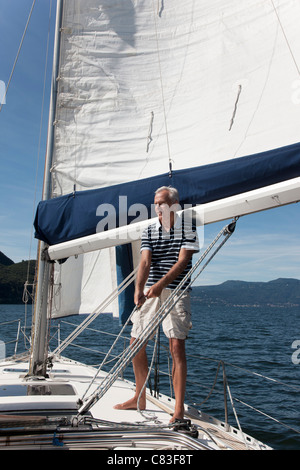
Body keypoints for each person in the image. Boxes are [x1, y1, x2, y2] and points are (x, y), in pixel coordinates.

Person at [114, 186, 199, 423]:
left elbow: (183, 261)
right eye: (155, 204)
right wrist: (138, 289)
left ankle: (179, 409)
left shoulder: (188, 227)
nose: (157, 208)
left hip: (176, 291)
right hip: (151, 291)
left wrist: (161, 284)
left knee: (176, 348)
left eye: (160, 203)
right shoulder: (150, 229)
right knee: (135, 343)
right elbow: (145, 262)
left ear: (173, 204)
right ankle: (139, 397)